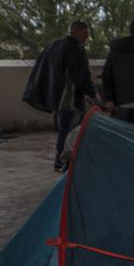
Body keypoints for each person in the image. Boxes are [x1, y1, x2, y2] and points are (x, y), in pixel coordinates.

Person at [28, 20, 97, 172]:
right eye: (85, 33)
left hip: (57, 95)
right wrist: (93, 94)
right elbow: (81, 75)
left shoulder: (56, 45)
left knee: (65, 128)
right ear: (77, 32)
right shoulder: (75, 49)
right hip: (70, 97)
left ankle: (64, 160)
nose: (86, 37)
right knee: (69, 129)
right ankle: (63, 161)